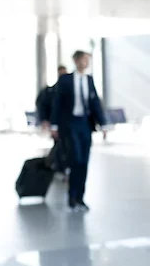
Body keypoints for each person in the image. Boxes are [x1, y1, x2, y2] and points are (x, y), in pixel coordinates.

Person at [50, 51, 106, 212]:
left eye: (88, 60)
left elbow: (95, 104)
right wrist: (54, 125)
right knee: (76, 159)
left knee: (84, 162)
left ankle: (81, 198)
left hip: (85, 124)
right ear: (76, 60)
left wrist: (103, 124)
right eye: (84, 59)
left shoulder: (89, 80)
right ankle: (72, 197)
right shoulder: (65, 80)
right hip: (70, 124)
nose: (86, 62)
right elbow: (57, 103)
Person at [37, 65, 69, 174]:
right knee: (59, 145)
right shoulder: (50, 91)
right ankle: (59, 167)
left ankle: (64, 167)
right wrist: (45, 120)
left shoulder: (70, 89)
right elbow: (42, 105)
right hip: (56, 123)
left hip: (68, 123)